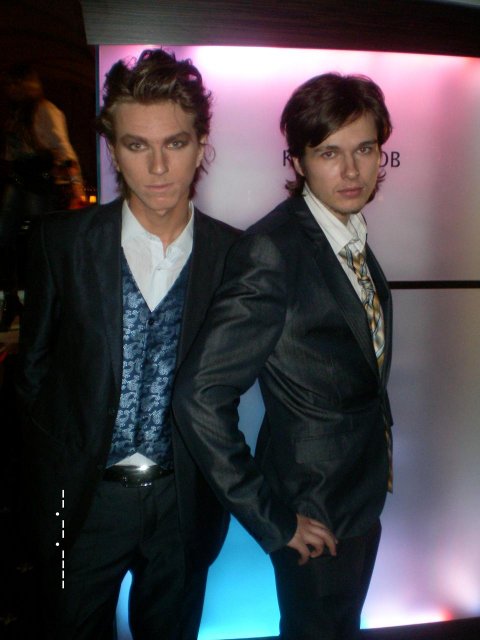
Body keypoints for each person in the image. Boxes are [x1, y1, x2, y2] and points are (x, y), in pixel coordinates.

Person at [17, 49, 238, 639]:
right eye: (138, 145)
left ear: (201, 146)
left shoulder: (235, 256)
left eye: (176, 143)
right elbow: (31, 375)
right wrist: (47, 484)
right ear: (113, 151)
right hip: (78, 504)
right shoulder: (61, 243)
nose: (159, 166)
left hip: (183, 503)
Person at [173, 72, 394, 640]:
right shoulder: (273, 249)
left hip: (359, 496)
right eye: (329, 153)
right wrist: (272, 519)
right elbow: (199, 396)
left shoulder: (347, 234)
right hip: (313, 513)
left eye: (365, 149)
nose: (351, 171)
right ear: (298, 161)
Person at [0, 63, 86, 331]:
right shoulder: (16, 113)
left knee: (39, 243)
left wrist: (76, 187)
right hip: (20, 177)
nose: (9, 89)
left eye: (13, 84)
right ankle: (12, 297)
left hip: (38, 179)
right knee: (5, 237)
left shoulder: (45, 110)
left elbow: (63, 148)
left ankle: (42, 304)